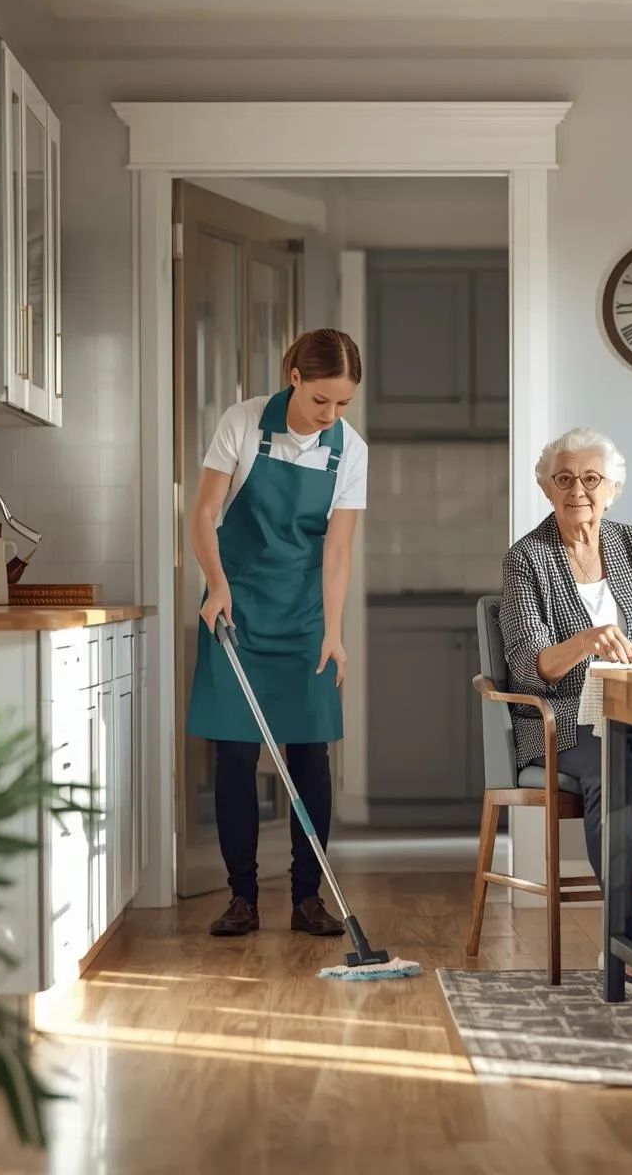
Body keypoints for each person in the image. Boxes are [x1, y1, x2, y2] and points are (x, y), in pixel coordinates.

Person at [498, 427, 632, 998]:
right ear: (546, 488)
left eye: (591, 478)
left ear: (613, 488)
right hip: (566, 721)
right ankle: (625, 940)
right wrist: (587, 641)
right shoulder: (527, 559)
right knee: (618, 773)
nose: (578, 491)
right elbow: (528, 667)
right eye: (564, 479)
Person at [186, 328, 368, 939]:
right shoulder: (242, 423)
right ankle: (241, 897)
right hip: (235, 606)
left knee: (311, 752)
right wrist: (216, 585)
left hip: (304, 616)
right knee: (236, 754)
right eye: (321, 400)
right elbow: (204, 514)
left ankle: (307, 898)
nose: (330, 414)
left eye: (343, 403)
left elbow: (337, 550)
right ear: (295, 378)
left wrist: (334, 631)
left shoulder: (350, 450)